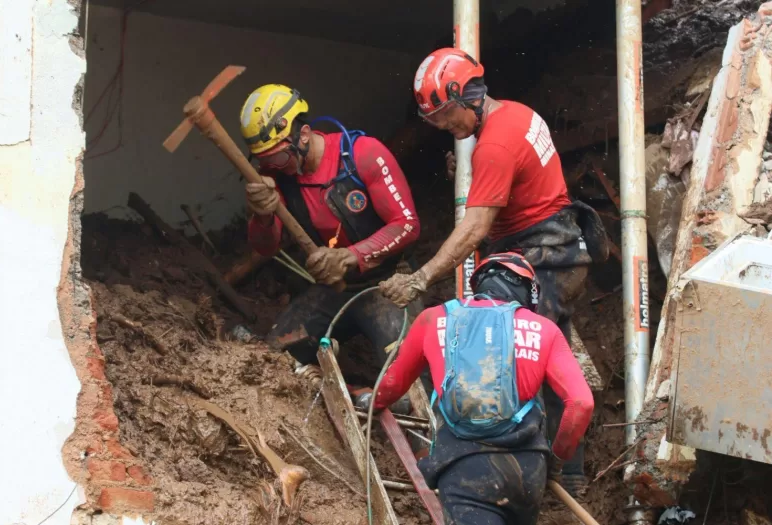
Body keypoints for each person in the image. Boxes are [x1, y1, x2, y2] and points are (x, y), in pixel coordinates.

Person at [379, 47, 608, 496]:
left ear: (467, 95)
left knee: (523, 354)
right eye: (436, 120)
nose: (445, 127)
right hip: (562, 250)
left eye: (446, 115)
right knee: (550, 349)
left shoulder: (495, 146)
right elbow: (516, 183)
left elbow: (477, 226)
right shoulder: (518, 116)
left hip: (544, 257)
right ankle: (564, 468)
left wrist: (421, 277)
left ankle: (543, 470)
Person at [359, 253, 594, 525]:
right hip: (528, 472)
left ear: (479, 283)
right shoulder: (545, 329)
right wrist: (557, 458)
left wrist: (372, 402)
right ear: (528, 291)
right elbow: (581, 403)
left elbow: (393, 383)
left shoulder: (433, 319)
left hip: (464, 467)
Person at [239, 84, 421, 369]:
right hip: (333, 290)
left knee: (408, 377)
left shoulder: (363, 154)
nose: (275, 165)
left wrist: (351, 256)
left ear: (304, 135)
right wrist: (260, 216)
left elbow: (407, 225)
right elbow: (266, 246)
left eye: (279, 156)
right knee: (272, 360)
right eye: (265, 159)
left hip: (388, 282)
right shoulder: (277, 176)